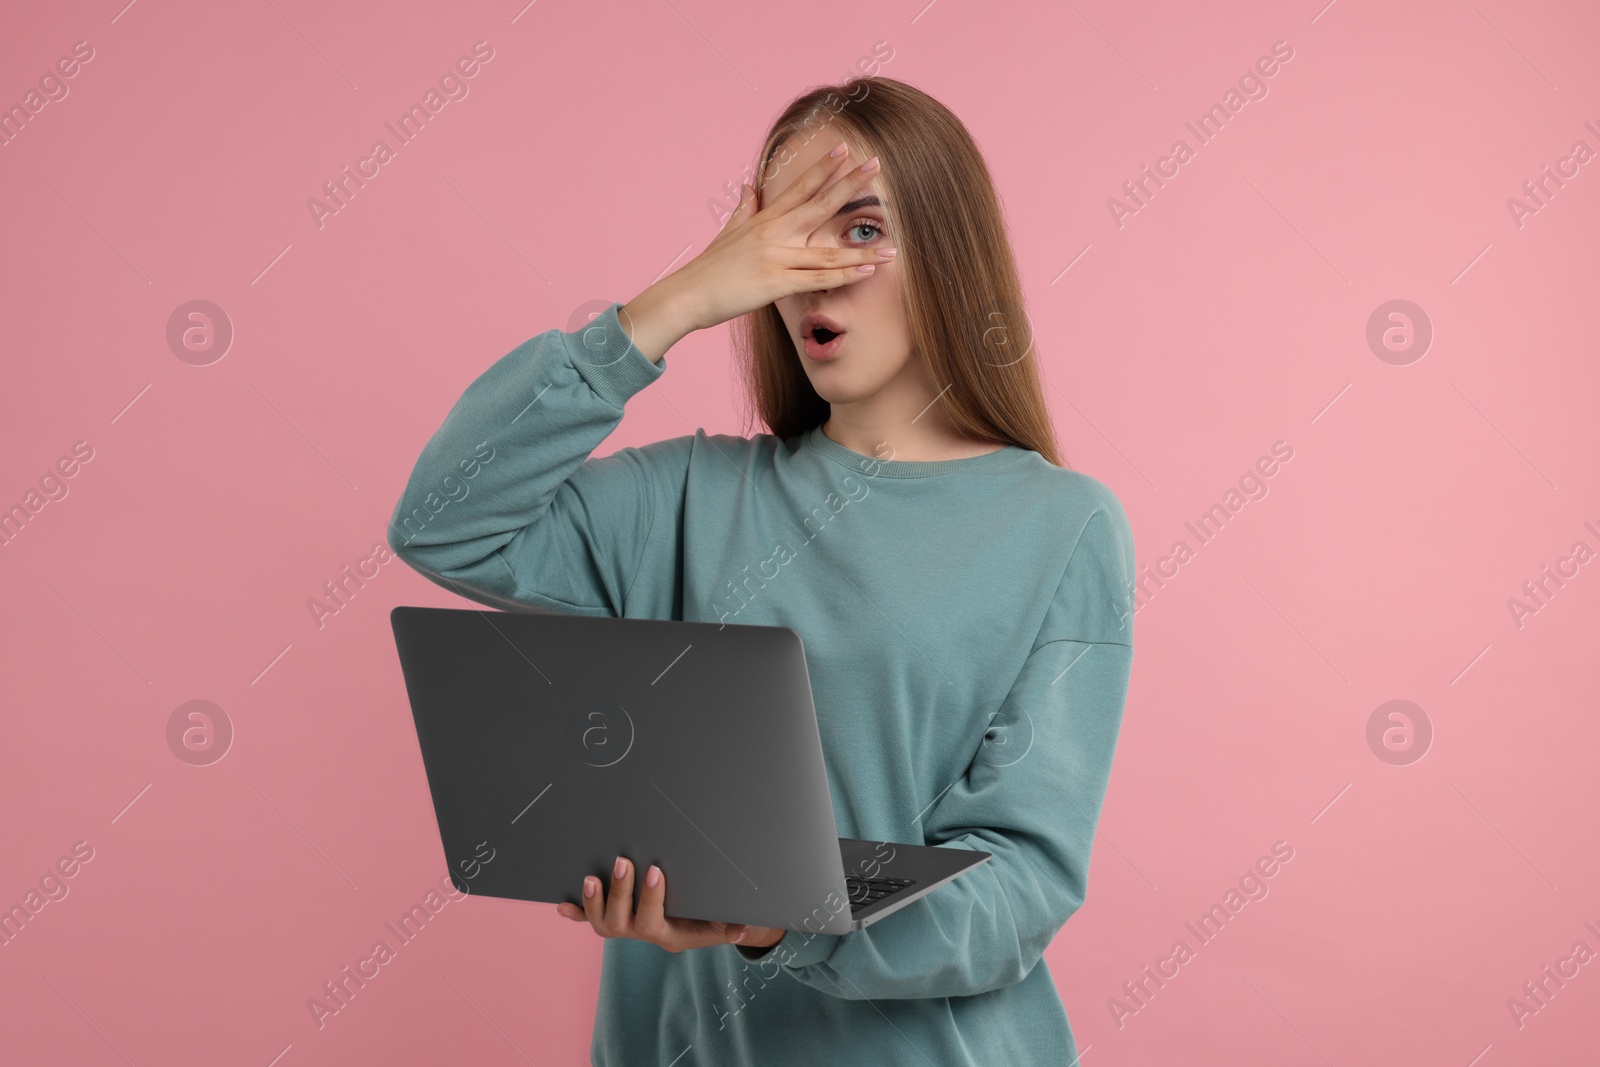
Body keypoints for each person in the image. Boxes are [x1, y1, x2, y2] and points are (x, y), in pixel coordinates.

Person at [387, 75, 1135, 1067]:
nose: (813, 274)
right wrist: (679, 299)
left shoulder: (1062, 526)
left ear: (948, 254)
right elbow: (443, 522)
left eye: (858, 230)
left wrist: (774, 923)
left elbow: (1020, 885)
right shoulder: (688, 500)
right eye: (784, 238)